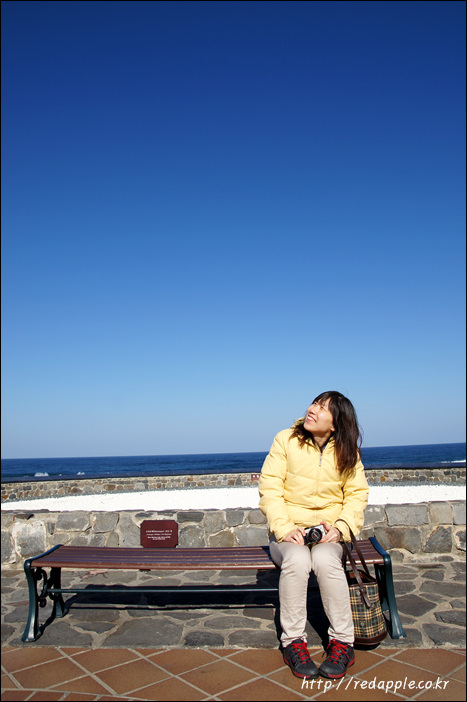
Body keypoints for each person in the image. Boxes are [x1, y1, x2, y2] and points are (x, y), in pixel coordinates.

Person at [258, 391, 369, 680]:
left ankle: (343, 643)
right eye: (315, 403)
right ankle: (293, 642)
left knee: (325, 560)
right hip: (288, 533)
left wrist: (340, 528)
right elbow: (270, 489)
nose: (313, 409)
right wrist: (285, 528)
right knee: (297, 560)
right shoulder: (285, 439)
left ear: (336, 423)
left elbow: (356, 495)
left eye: (323, 408)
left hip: (328, 534)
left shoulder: (348, 451)